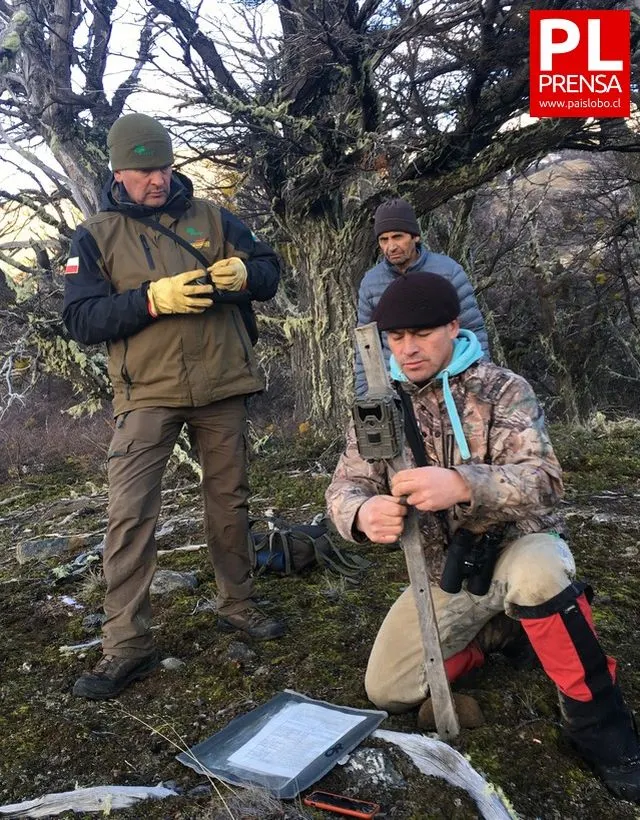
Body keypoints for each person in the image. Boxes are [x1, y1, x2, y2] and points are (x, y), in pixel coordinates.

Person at [327, 271, 640, 802]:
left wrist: (461, 483)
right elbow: (346, 485)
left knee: (541, 574)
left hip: (517, 546)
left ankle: (602, 727)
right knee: (388, 689)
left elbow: (545, 481)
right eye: (396, 339)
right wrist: (360, 514)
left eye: (422, 334)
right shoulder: (378, 405)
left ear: (453, 326)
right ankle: (508, 633)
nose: (408, 350)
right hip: (444, 573)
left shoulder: (502, 388)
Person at [63, 113, 285, 700]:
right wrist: (151, 301)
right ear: (118, 171)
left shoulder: (213, 217)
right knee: (130, 512)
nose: (157, 180)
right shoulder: (95, 236)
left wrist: (245, 273)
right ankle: (126, 644)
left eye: (163, 167)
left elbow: (269, 270)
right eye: (143, 171)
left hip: (223, 383)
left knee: (229, 499)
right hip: (148, 393)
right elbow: (81, 320)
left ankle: (238, 604)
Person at [354, 198, 489, 397]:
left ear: (415, 236)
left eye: (397, 237)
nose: (391, 247)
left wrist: (479, 383)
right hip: (398, 388)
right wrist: (365, 396)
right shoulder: (370, 282)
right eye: (384, 240)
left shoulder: (448, 271)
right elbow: (366, 345)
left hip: (449, 382)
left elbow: (473, 330)